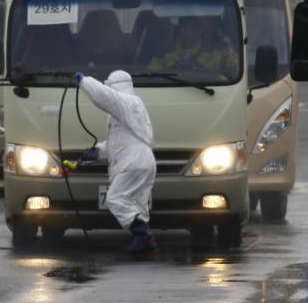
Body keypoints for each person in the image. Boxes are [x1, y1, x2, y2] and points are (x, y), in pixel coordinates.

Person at [74, 70, 159, 254]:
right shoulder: (131, 108)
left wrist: (85, 82)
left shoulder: (129, 103)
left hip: (134, 162)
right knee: (136, 203)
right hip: (142, 161)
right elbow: (120, 141)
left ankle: (143, 235)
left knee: (115, 198)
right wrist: (99, 151)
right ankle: (146, 243)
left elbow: (106, 97)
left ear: (115, 86)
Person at [149, 16, 238, 77]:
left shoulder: (219, 49)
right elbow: (151, 73)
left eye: (198, 28)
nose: (195, 31)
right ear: (181, 29)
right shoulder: (164, 50)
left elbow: (233, 72)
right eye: (191, 27)